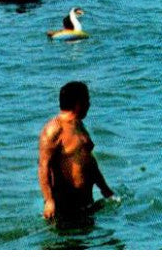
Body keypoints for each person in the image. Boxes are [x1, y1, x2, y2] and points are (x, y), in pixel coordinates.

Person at [37, 81, 115, 223]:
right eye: (88, 100)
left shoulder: (78, 124)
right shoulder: (53, 129)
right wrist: (49, 201)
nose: (90, 105)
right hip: (65, 209)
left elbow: (89, 161)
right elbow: (44, 166)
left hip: (85, 205)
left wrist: (105, 189)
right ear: (79, 103)